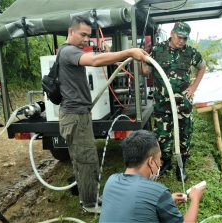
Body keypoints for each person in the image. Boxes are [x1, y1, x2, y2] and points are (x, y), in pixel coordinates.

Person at [58, 15, 148, 213]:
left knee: (85, 159)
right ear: (71, 31)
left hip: (77, 115)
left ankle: (89, 197)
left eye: (88, 36)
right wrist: (129, 52)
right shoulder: (68, 52)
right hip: (75, 117)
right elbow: (96, 60)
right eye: (82, 35)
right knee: (86, 160)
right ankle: (89, 204)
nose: (86, 40)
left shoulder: (70, 51)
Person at [143, 22, 206, 181]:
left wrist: (193, 87)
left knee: (184, 132)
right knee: (162, 134)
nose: (182, 41)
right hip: (162, 102)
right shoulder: (158, 50)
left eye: (185, 38)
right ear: (172, 33)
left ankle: (181, 164)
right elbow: (146, 72)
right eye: (179, 37)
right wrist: (141, 59)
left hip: (182, 103)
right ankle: (165, 162)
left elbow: (202, 67)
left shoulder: (190, 52)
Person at [99, 130, 205, 223]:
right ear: (150, 161)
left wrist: (164, 203)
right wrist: (195, 198)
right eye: (159, 158)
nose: (160, 163)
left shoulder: (111, 181)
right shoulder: (158, 192)